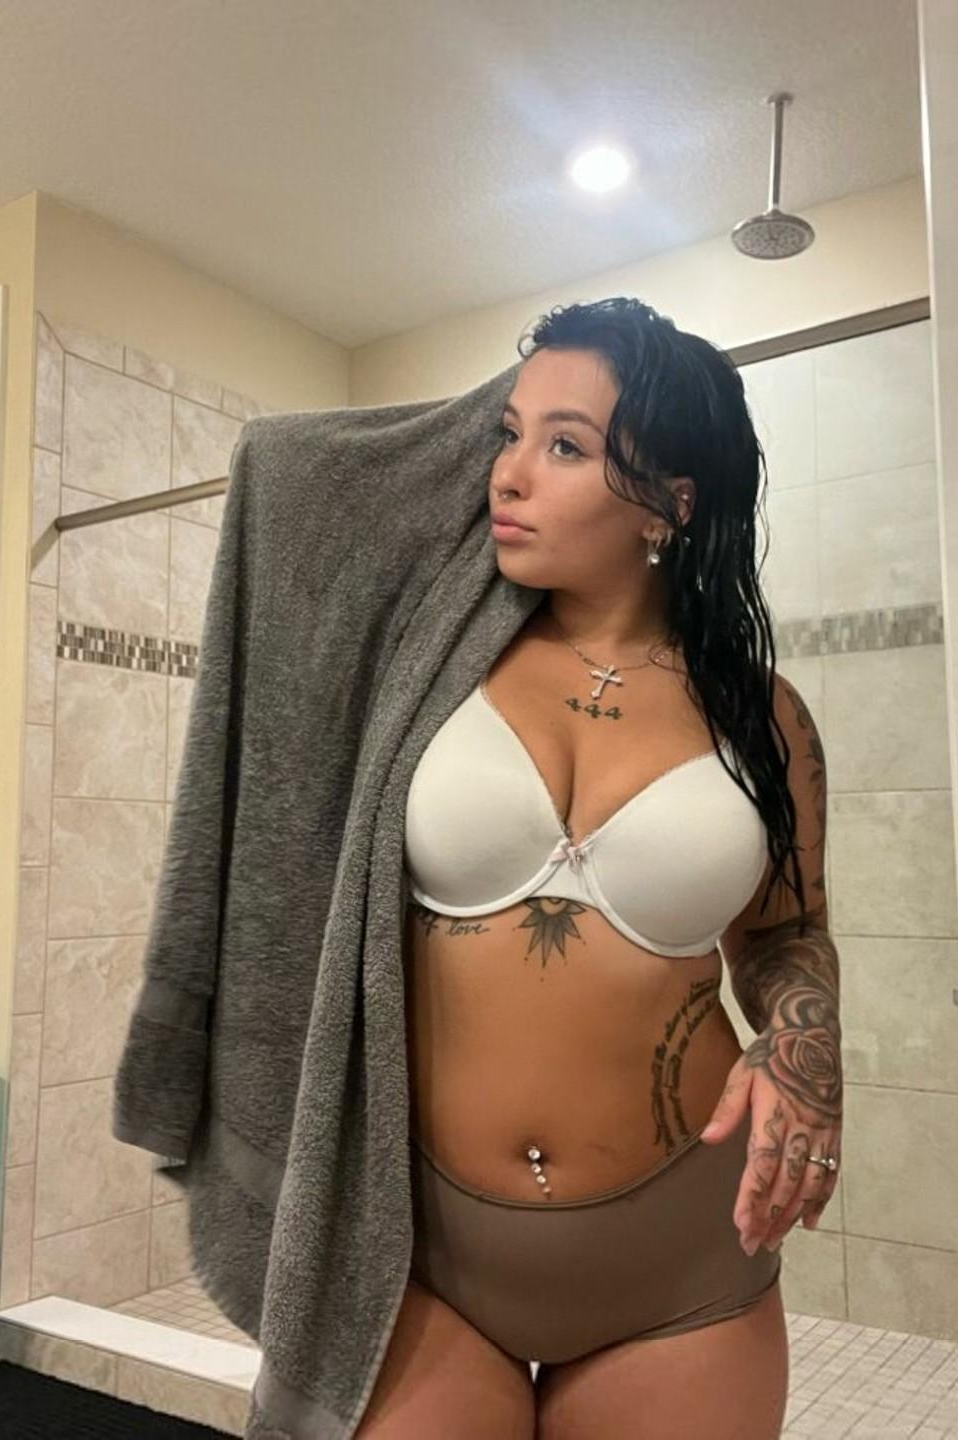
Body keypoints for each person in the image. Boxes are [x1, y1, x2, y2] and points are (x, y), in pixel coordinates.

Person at [357, 297, 842, 1439]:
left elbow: (785, 935)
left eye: (564, 446)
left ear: (671, 502)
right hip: (419, 1253)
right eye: (509, 435)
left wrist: (809, 1053)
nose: (510, 475)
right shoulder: (432, 669)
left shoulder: (764, 719)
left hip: (679, 1266)